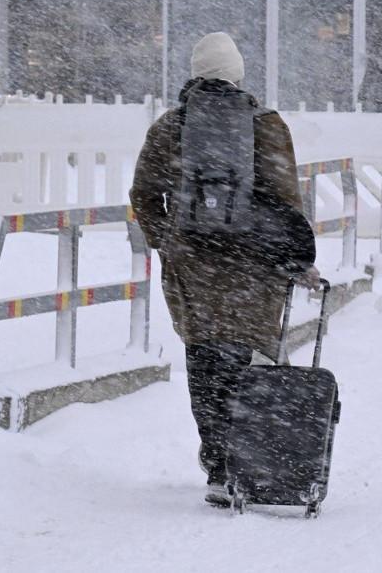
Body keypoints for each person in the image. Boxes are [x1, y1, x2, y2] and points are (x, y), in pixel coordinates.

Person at [129, 31, 321, 506]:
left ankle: (217, 464)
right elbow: (284, 199)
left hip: (193, 265)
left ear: (195, 74)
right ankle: (249, 460)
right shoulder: (268, 125)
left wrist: (169, 243)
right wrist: (296, 259)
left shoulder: (169, 127)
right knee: (246, 360)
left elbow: (144, 196)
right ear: (237, 75)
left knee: (205, 359)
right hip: (253, 265)